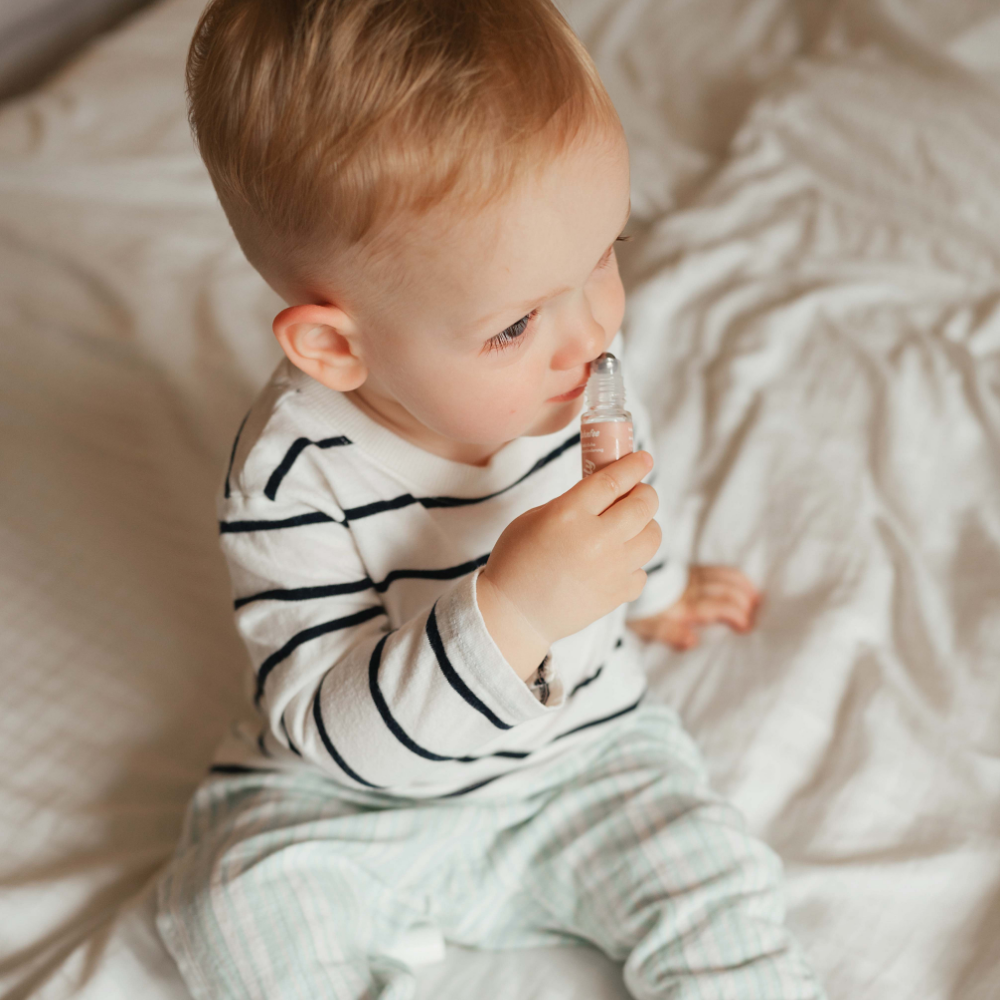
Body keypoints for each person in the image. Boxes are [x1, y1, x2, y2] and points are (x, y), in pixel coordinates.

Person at [156, 1, 826, 998]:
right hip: (349, 806)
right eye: (514, 325)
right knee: (238, 910)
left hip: (583, 761)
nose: (590, 331)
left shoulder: (576, 370)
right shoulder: (294, 474)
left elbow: (621, 499)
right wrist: (510, 614)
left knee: (715, 887)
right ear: (336, 347)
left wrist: (656, 583)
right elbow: (330, 730)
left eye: (604, 252)